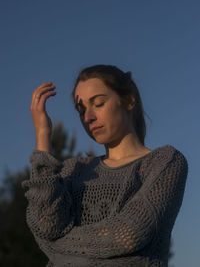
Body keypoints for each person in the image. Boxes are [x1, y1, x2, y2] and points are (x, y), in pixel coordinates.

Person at [22, 64, 188, 267]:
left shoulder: (164, 162)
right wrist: (42, 134)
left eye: (98, 103)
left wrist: (55, 244)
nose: (88, 117)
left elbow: (129, 233)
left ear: (128, 100)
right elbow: (45, 226)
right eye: (80, 110)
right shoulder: (72, 170)